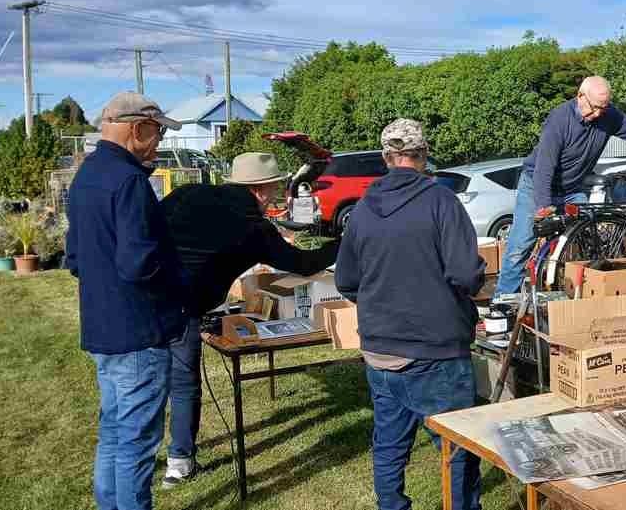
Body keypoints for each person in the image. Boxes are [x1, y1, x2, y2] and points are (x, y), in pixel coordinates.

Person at [158, 152, 339, 487]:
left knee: (142, 383)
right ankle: (179, 463)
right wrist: (342, 244)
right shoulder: (254, 228)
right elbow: (303, 265)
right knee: (182, 384)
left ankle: (134, 459)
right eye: (273, 189)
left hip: (145, 297)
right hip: (183, 309)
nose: (273, 197)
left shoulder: (187, 193)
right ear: (259, 189)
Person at [334, 119, 485, 510]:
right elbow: (466, 273)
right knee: (457, 448)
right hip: (435, 349)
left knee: (389, 444)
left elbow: (346, 280)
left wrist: (383, 304)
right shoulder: (441, 201)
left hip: (380, 349)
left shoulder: (362, 209)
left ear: (386, 157)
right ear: (424, 155)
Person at [65, 92, 187, 510]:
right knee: (136, 442)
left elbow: (75, 257)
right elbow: (139, 263)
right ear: (137, 129)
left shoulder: (87, 175)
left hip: (102, 327)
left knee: (114, 432)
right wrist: (177, 288)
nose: (158, 143)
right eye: (157, 134)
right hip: (138, 333)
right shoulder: (130, 180)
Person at [492, 76, 626, 298]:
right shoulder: (560, 119)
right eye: (594, 107)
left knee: (587, 242)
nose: (598, 114)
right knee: (520, 246)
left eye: (604, 107)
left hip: (572, 189)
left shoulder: (608, 115)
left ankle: (582, 296)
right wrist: (544, 207)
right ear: (580, 96)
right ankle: (502, 301)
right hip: (537, 185)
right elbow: (545, 167)